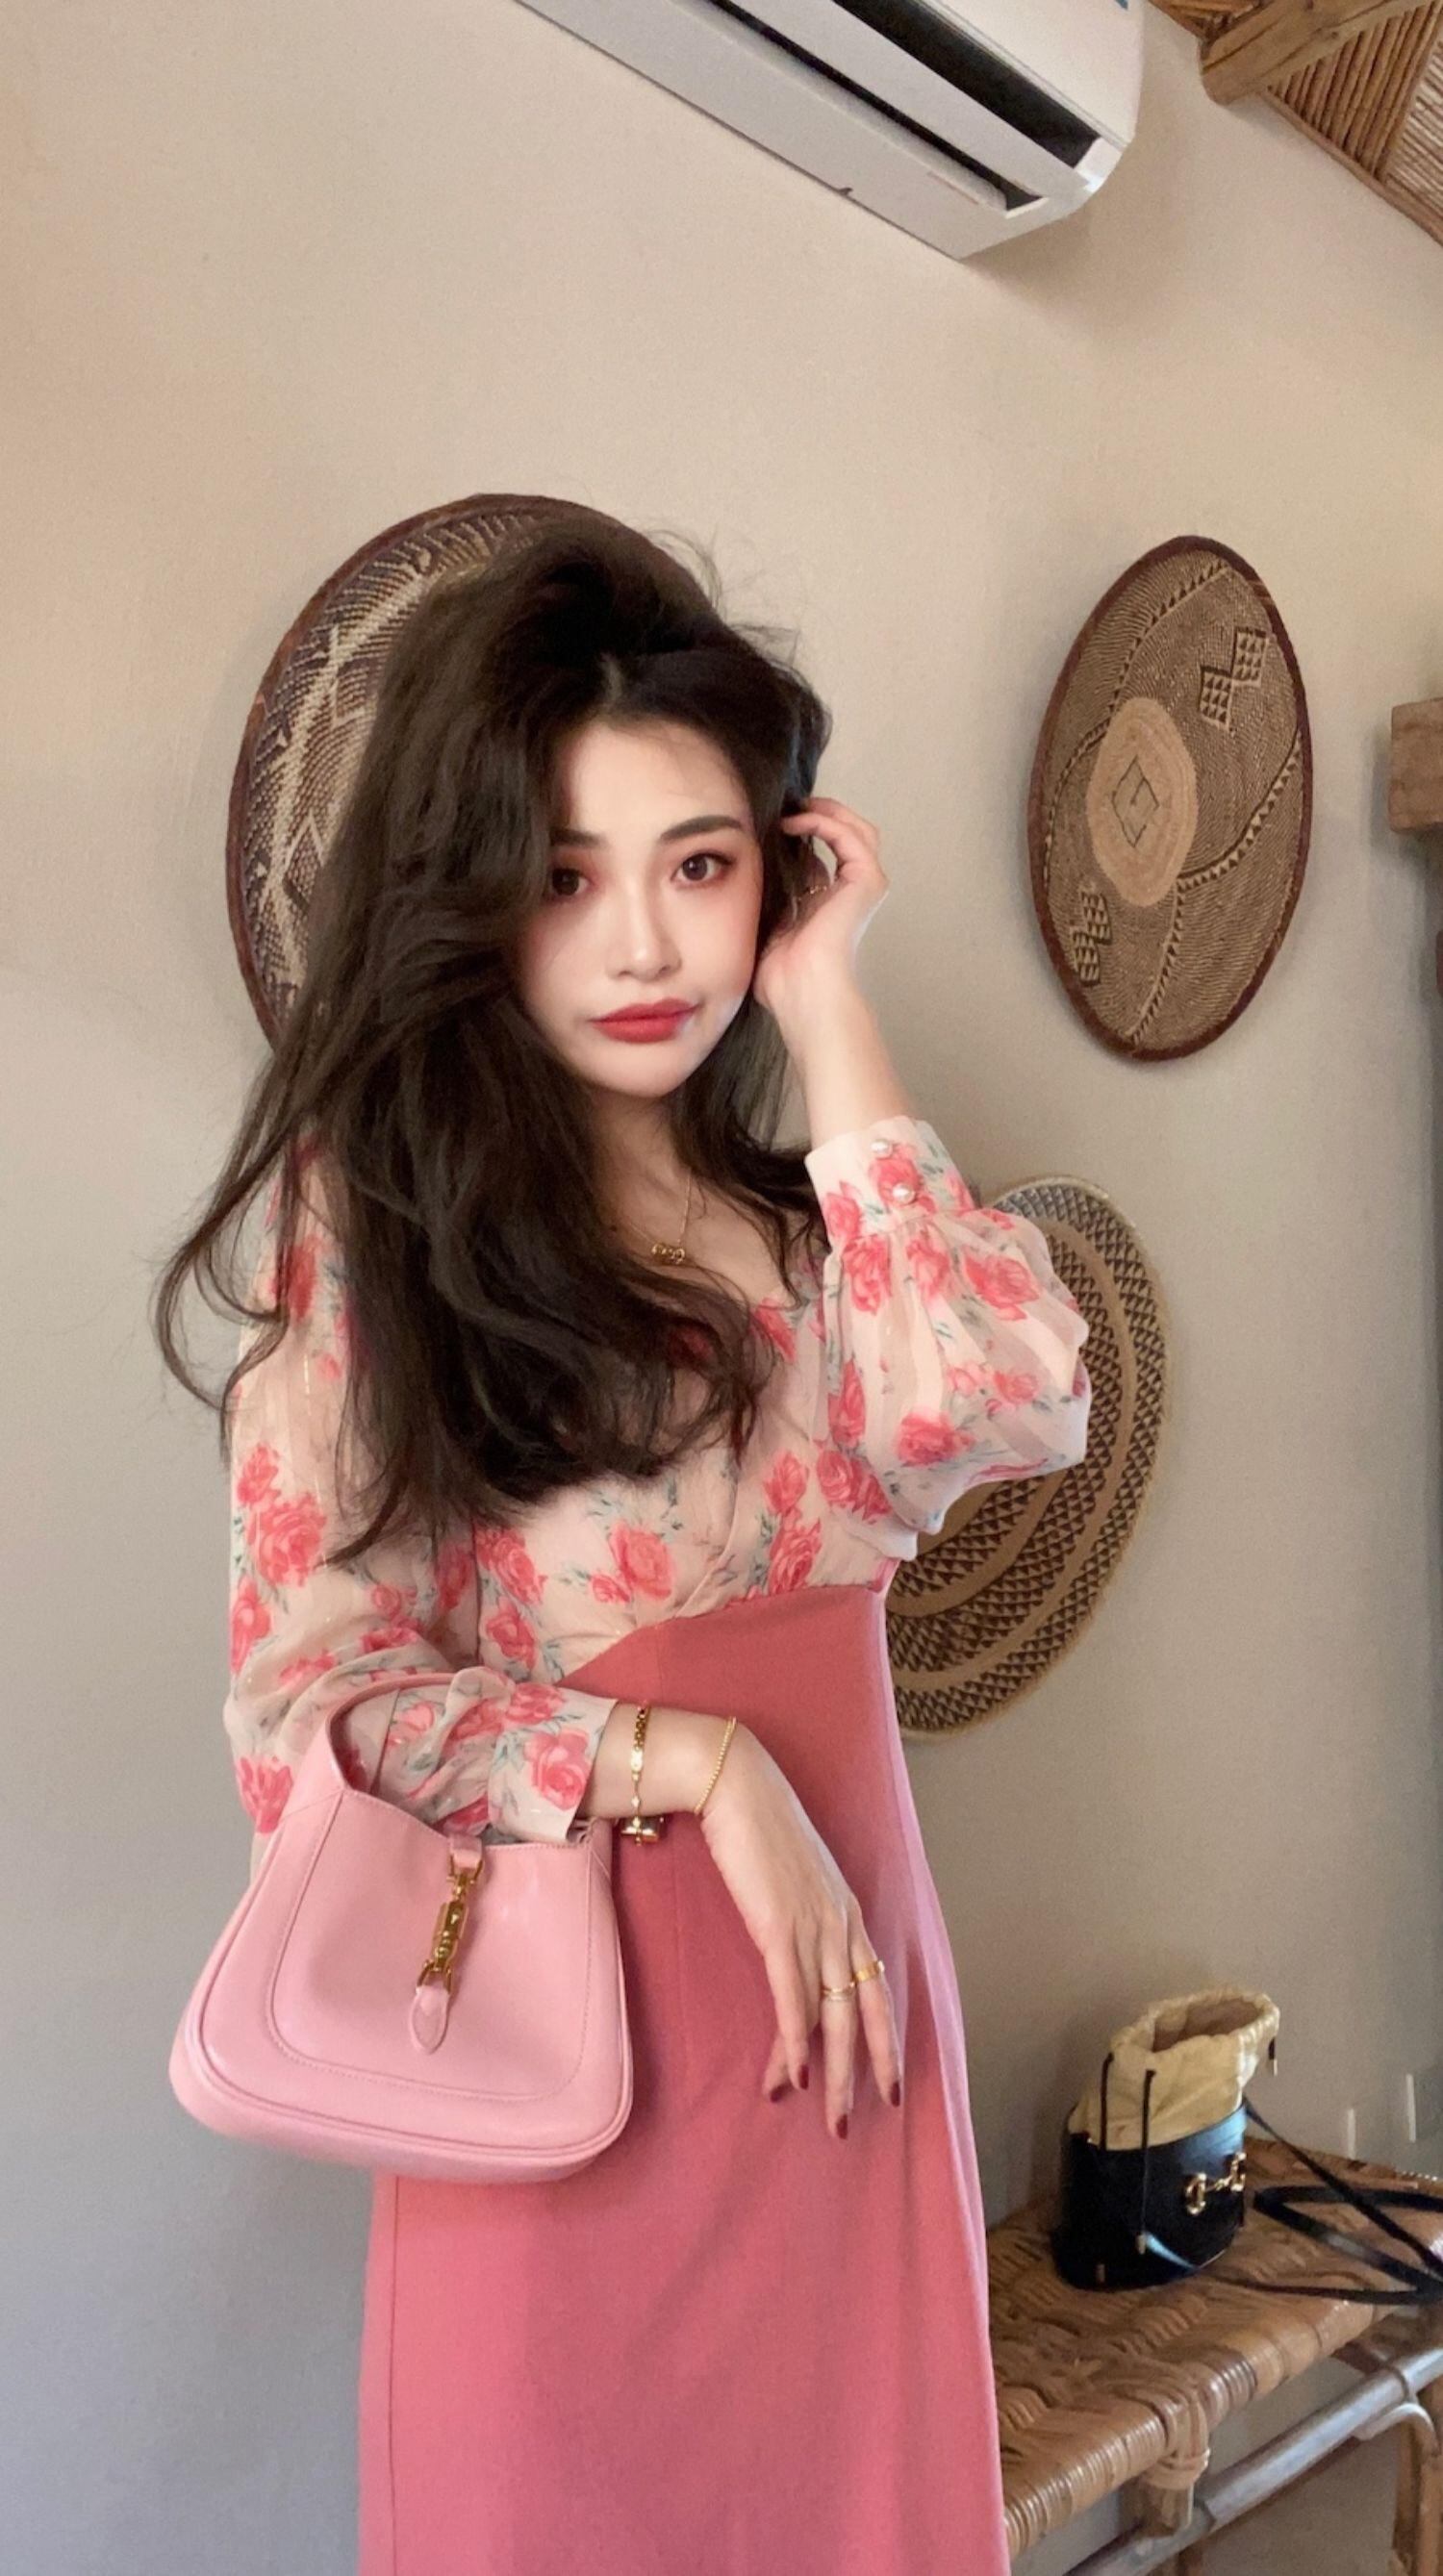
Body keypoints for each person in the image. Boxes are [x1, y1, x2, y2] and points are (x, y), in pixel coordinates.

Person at [155, 515, 1093, 2575]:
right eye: (567, 878)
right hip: (551, 2075)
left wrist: (831, 1011)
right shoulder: (381, 1236)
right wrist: (700, 1763)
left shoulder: (805, 1236)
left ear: (777, 872)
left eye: (701, 865)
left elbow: (1015, 1399)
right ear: (475, 897)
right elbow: (313, 1719)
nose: (646, 945)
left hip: (844, 2043)